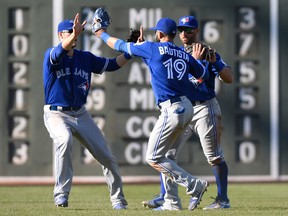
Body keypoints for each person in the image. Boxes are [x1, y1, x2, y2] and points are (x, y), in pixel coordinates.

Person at [94, 16, 209, 211]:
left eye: (157, 31)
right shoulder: (182, 53)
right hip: (188, 106)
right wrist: (193, 61)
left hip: (172, 108)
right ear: (174, 34)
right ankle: (172, 203)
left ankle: (193, 184)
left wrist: (101, 33)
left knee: (154, 158)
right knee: (168, 157)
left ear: (160, 34)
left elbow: (120, 45)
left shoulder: (152, 48)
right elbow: (202, 75)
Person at [142, 15, 233, 211]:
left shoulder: (207, 52)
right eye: (181, 30)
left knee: (214, 156)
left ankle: (222, 200)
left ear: (197, 31)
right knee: (165, 153)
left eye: (189, 30)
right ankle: (166, 197)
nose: (184, 33)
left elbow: (229, 77)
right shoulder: (174, 52)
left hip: (204, 107)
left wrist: (215, 61)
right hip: (183, 107)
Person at [42, 13, 131, 210]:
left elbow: (112, 65)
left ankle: (118, 199)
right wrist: (74, 35)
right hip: (56, 113)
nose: (72, 35)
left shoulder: (85, 58)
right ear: (60, 35)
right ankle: (61, 195)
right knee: (64, 139)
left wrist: (131, 51)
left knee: (106, 156)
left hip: (80, 114)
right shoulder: (51, 55)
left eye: (74, 32)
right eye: (68, 33)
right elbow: (59, 53)